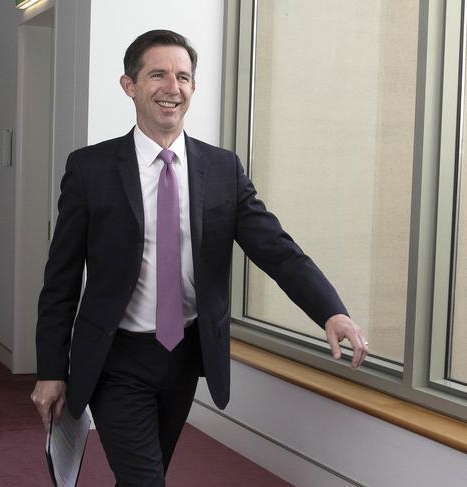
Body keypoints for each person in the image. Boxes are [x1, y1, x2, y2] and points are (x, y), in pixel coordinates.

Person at [31, 30, 369, 486]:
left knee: (149, 472)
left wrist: (331, 310)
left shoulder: (222, 169)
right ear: (129, 85)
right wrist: (52, 369)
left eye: (183, 76)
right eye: (158, 74)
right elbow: (62, 279)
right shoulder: (90, 169)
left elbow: (276, 249)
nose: (173, 87)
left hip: (185, 355)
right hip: (116, 356)